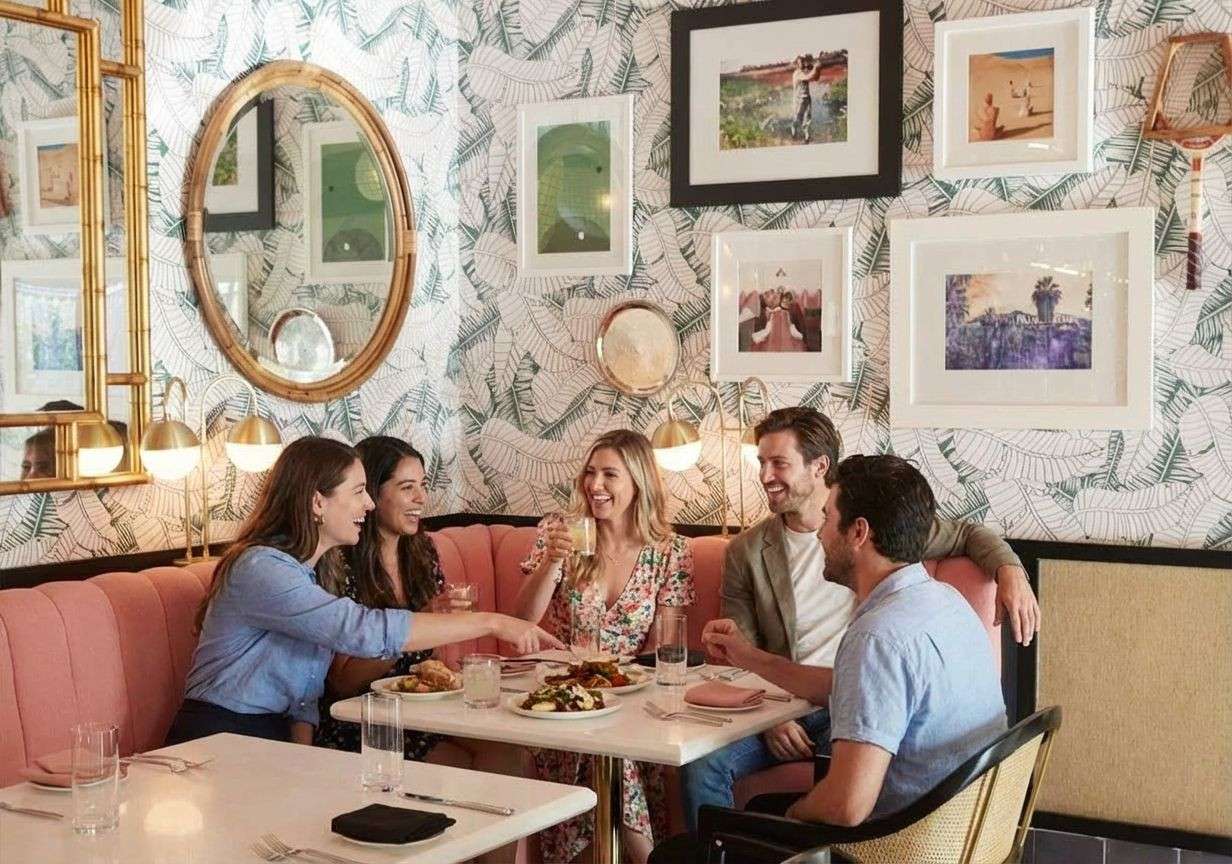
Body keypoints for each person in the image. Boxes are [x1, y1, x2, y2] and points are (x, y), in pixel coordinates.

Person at [678, 406, 1038, 831]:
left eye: (829, 519)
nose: (820, 532)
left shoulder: (876, 637)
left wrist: (788, 825)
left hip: (899, 844)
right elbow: (855, 684)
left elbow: (846, 808)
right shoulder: (948, 602)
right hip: (966, 833)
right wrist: (747, 656)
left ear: (859, 531)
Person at [166, 435, 562, 746]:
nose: (369, 504)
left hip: (270, 737)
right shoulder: (261, 568)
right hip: (218, 736)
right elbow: (362, 630)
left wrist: (303, 755)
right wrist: (491, 622)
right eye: (358, 491)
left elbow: (304, 694)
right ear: (318, 502)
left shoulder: (314, 572)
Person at [513, 429, 695, 864]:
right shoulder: (559, 534)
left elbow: (666, 645)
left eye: (609, 474)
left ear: (639, 483)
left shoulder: (671, 551)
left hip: (634, 698)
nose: (595, 485)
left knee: (617, 749)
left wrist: (634, 690)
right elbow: (521, 622)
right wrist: (553, 563)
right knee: (608, 751)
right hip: (563, 699)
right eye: (590, 473)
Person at [790, 55, 825, 143]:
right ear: (797, 64)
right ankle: (793, 133)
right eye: (801, 62)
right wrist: (816, 67)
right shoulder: (797, 73)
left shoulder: (804, 72)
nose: (803, 64)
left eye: (803, 62)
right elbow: (809, 77)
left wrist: (818, 69)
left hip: (806, 98)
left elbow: (816, 78)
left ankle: (807, 138)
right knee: (796, 118)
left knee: (807, 118)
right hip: (798, 99)